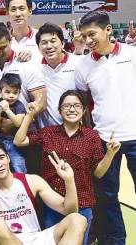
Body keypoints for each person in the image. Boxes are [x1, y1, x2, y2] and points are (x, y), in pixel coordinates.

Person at [14, 90, 120, 244]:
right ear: (59, 110)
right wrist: (30, 115)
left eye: (77, 106)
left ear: (84, 111)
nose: (72, 109)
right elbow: (19, 141)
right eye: (67, 106)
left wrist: (109, 154)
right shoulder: (48, 132)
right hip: (54, 203)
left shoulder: (92, 136)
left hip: (82, 203)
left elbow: (98, 172)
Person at [0, 140, 87, 244]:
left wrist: (69, 180)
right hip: (6, 240)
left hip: (35, 237)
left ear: (8, 159)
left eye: (2, 157)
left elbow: (69, 210)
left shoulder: (32, 181)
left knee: (77, 219)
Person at [75, 11, 136, 244]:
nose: (88, 40)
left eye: (92, 34)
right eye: (84, 36)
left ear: (108, 30)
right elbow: (84, 104)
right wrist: (91, 133)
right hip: (104, 139)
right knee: (107, 195)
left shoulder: (132, 54)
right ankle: (115, 239)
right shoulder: (83, 67)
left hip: (135, 136)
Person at [0, 22, 46, 141]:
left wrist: (16, 121)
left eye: (2, 48)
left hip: (23, 133)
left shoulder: (26, 64)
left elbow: (41, 103)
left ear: (10, 41)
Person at [36, 23, 84, 127]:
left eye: (53, 41)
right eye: (44, 42)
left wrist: (80, 49)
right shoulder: (35, 69)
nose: (49, 46)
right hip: (49, 134)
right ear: (38, 47)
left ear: (62, 43)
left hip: (76, 131)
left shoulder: (78, 63)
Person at [0, 73, 26, 173]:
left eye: (15, 93)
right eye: (7, 92)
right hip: (0, 141)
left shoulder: (19, 106)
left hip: (16, 142)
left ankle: (23, 183)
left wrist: (7, 110)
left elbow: (18, 123)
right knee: (1, 167)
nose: (11, 96)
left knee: (18, 165)